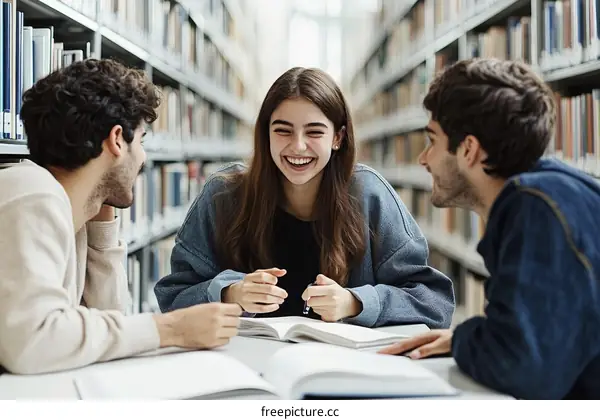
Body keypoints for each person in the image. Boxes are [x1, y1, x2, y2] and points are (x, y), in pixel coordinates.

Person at [153, 67, 455, 329]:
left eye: (314, 132)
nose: (298, 147)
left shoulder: (370, 194)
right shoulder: (222, 195)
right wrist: (229, 293)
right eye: (283, 131)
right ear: (265, 134)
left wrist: (355, 303)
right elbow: (172, 296)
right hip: (243, 370)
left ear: (337, 138)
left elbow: (435, 302)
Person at [0, 58, 241, 375]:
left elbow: (108, 317)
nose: (142, 158)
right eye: (140, 141)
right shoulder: (33, 193)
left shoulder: (72, 215)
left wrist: (101, 221)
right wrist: (169, 328)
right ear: (117, 140)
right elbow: (32, 342)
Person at [379, 58, 600, 399]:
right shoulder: (550, 192)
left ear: (468, 149)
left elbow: (520, 369)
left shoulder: (534, 208)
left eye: (432, 141)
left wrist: (468, 338)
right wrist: (481, 339)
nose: (423, 158)